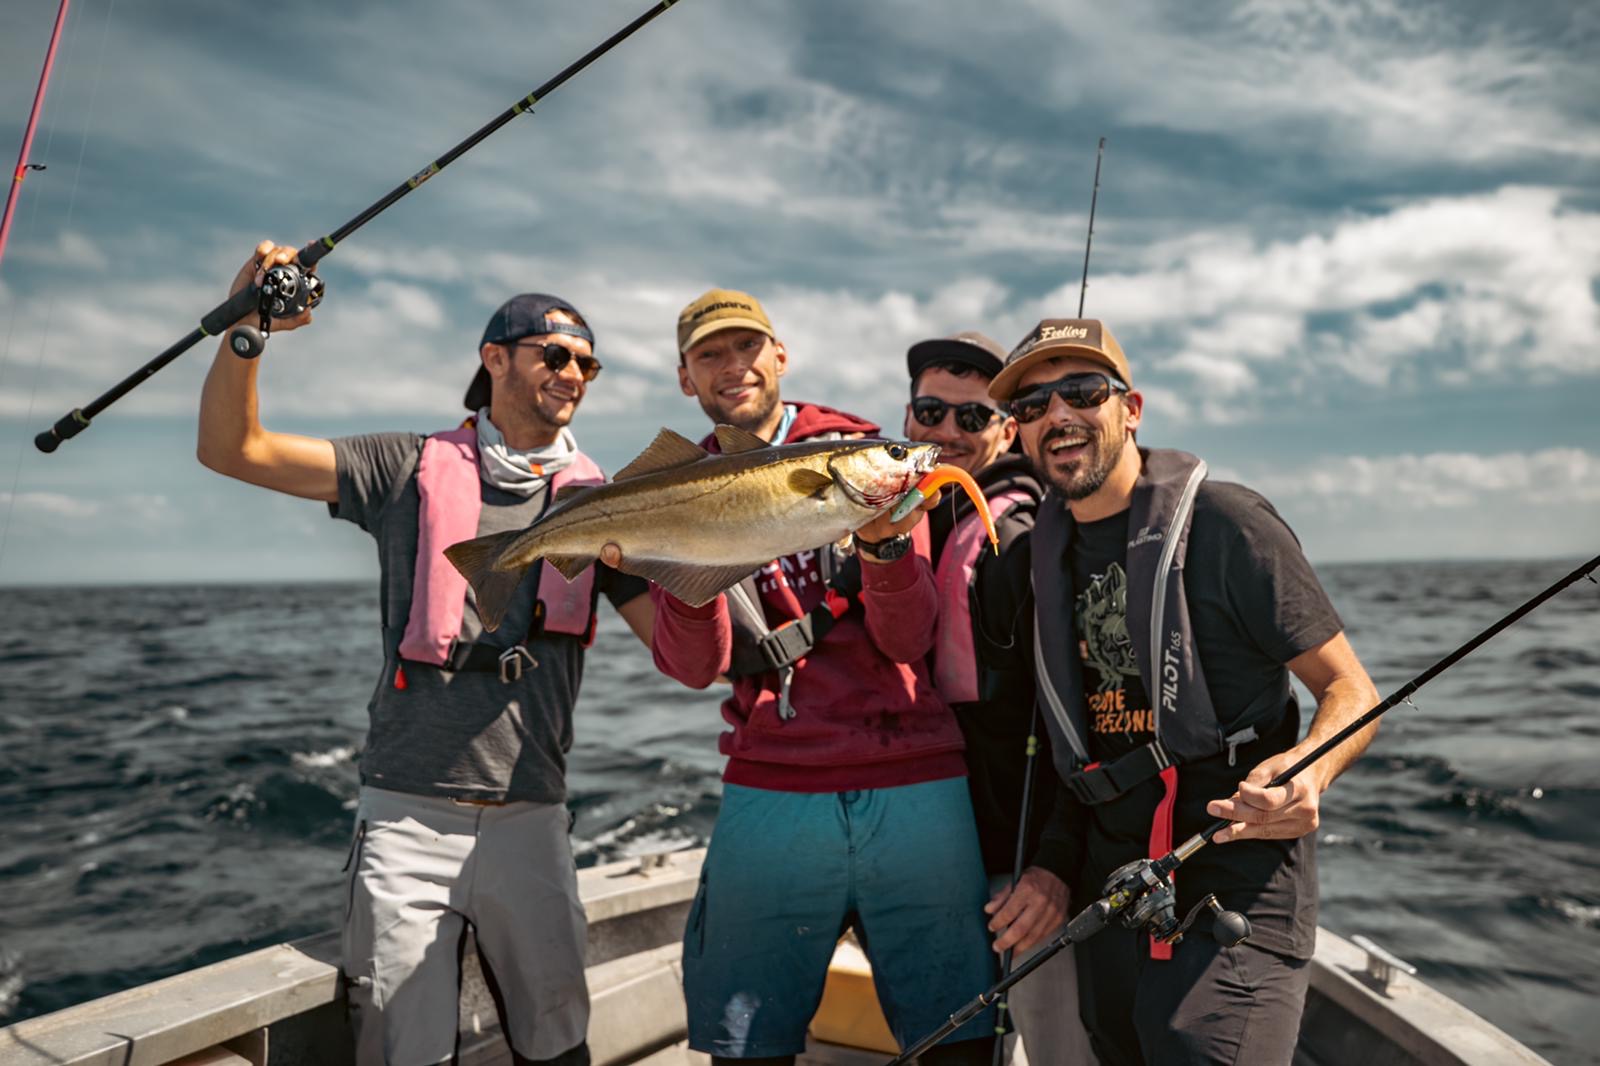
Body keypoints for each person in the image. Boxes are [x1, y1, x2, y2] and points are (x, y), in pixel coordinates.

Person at [197, 240, 654, 1066]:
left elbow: (692, 657)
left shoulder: (608, 502)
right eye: (555, 354)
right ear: (494, 359)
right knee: (401, 1050)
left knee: (559, 1042)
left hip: (534, 812)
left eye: (590, 364)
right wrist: (247, 327)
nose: (575, 374)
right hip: (406, 814)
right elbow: (236, 450)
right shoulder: (401, 467)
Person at [977, 318, 1381, 1066]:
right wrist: (1053, 868)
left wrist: (1310, 773)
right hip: (1112, 890)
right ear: (1020, 436)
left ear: (1130, 409)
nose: (1057, 415)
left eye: (1081, 392)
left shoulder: (1230, 526)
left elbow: (1350, 689)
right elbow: (1079, 754)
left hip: (1235, 871)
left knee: (1192, 1046)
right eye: (1031, 406)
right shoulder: (1032, 565)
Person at [627, 290, 998, 1066]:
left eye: (748, 348)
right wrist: (686, 565)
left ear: (780, 356)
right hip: (773, 782)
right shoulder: (679, 485)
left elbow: (909, 639)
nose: (734, 368)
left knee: (956, 1037)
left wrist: (886, 548)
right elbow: (696, 668)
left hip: (913, 777)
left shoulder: (865, 455)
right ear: (685, 379)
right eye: (710, 356)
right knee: (746, 1043)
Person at [901, 332, 1096, 1066]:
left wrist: (1053, 865)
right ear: (909, 416)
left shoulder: (1019, 539)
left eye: (972, 418)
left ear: (1007, 429)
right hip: (946, 843)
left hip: (1026, 861)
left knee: (1057, 1051)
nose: (947, 432)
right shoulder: (906, 512)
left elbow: (1084, 722)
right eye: (930, 411)